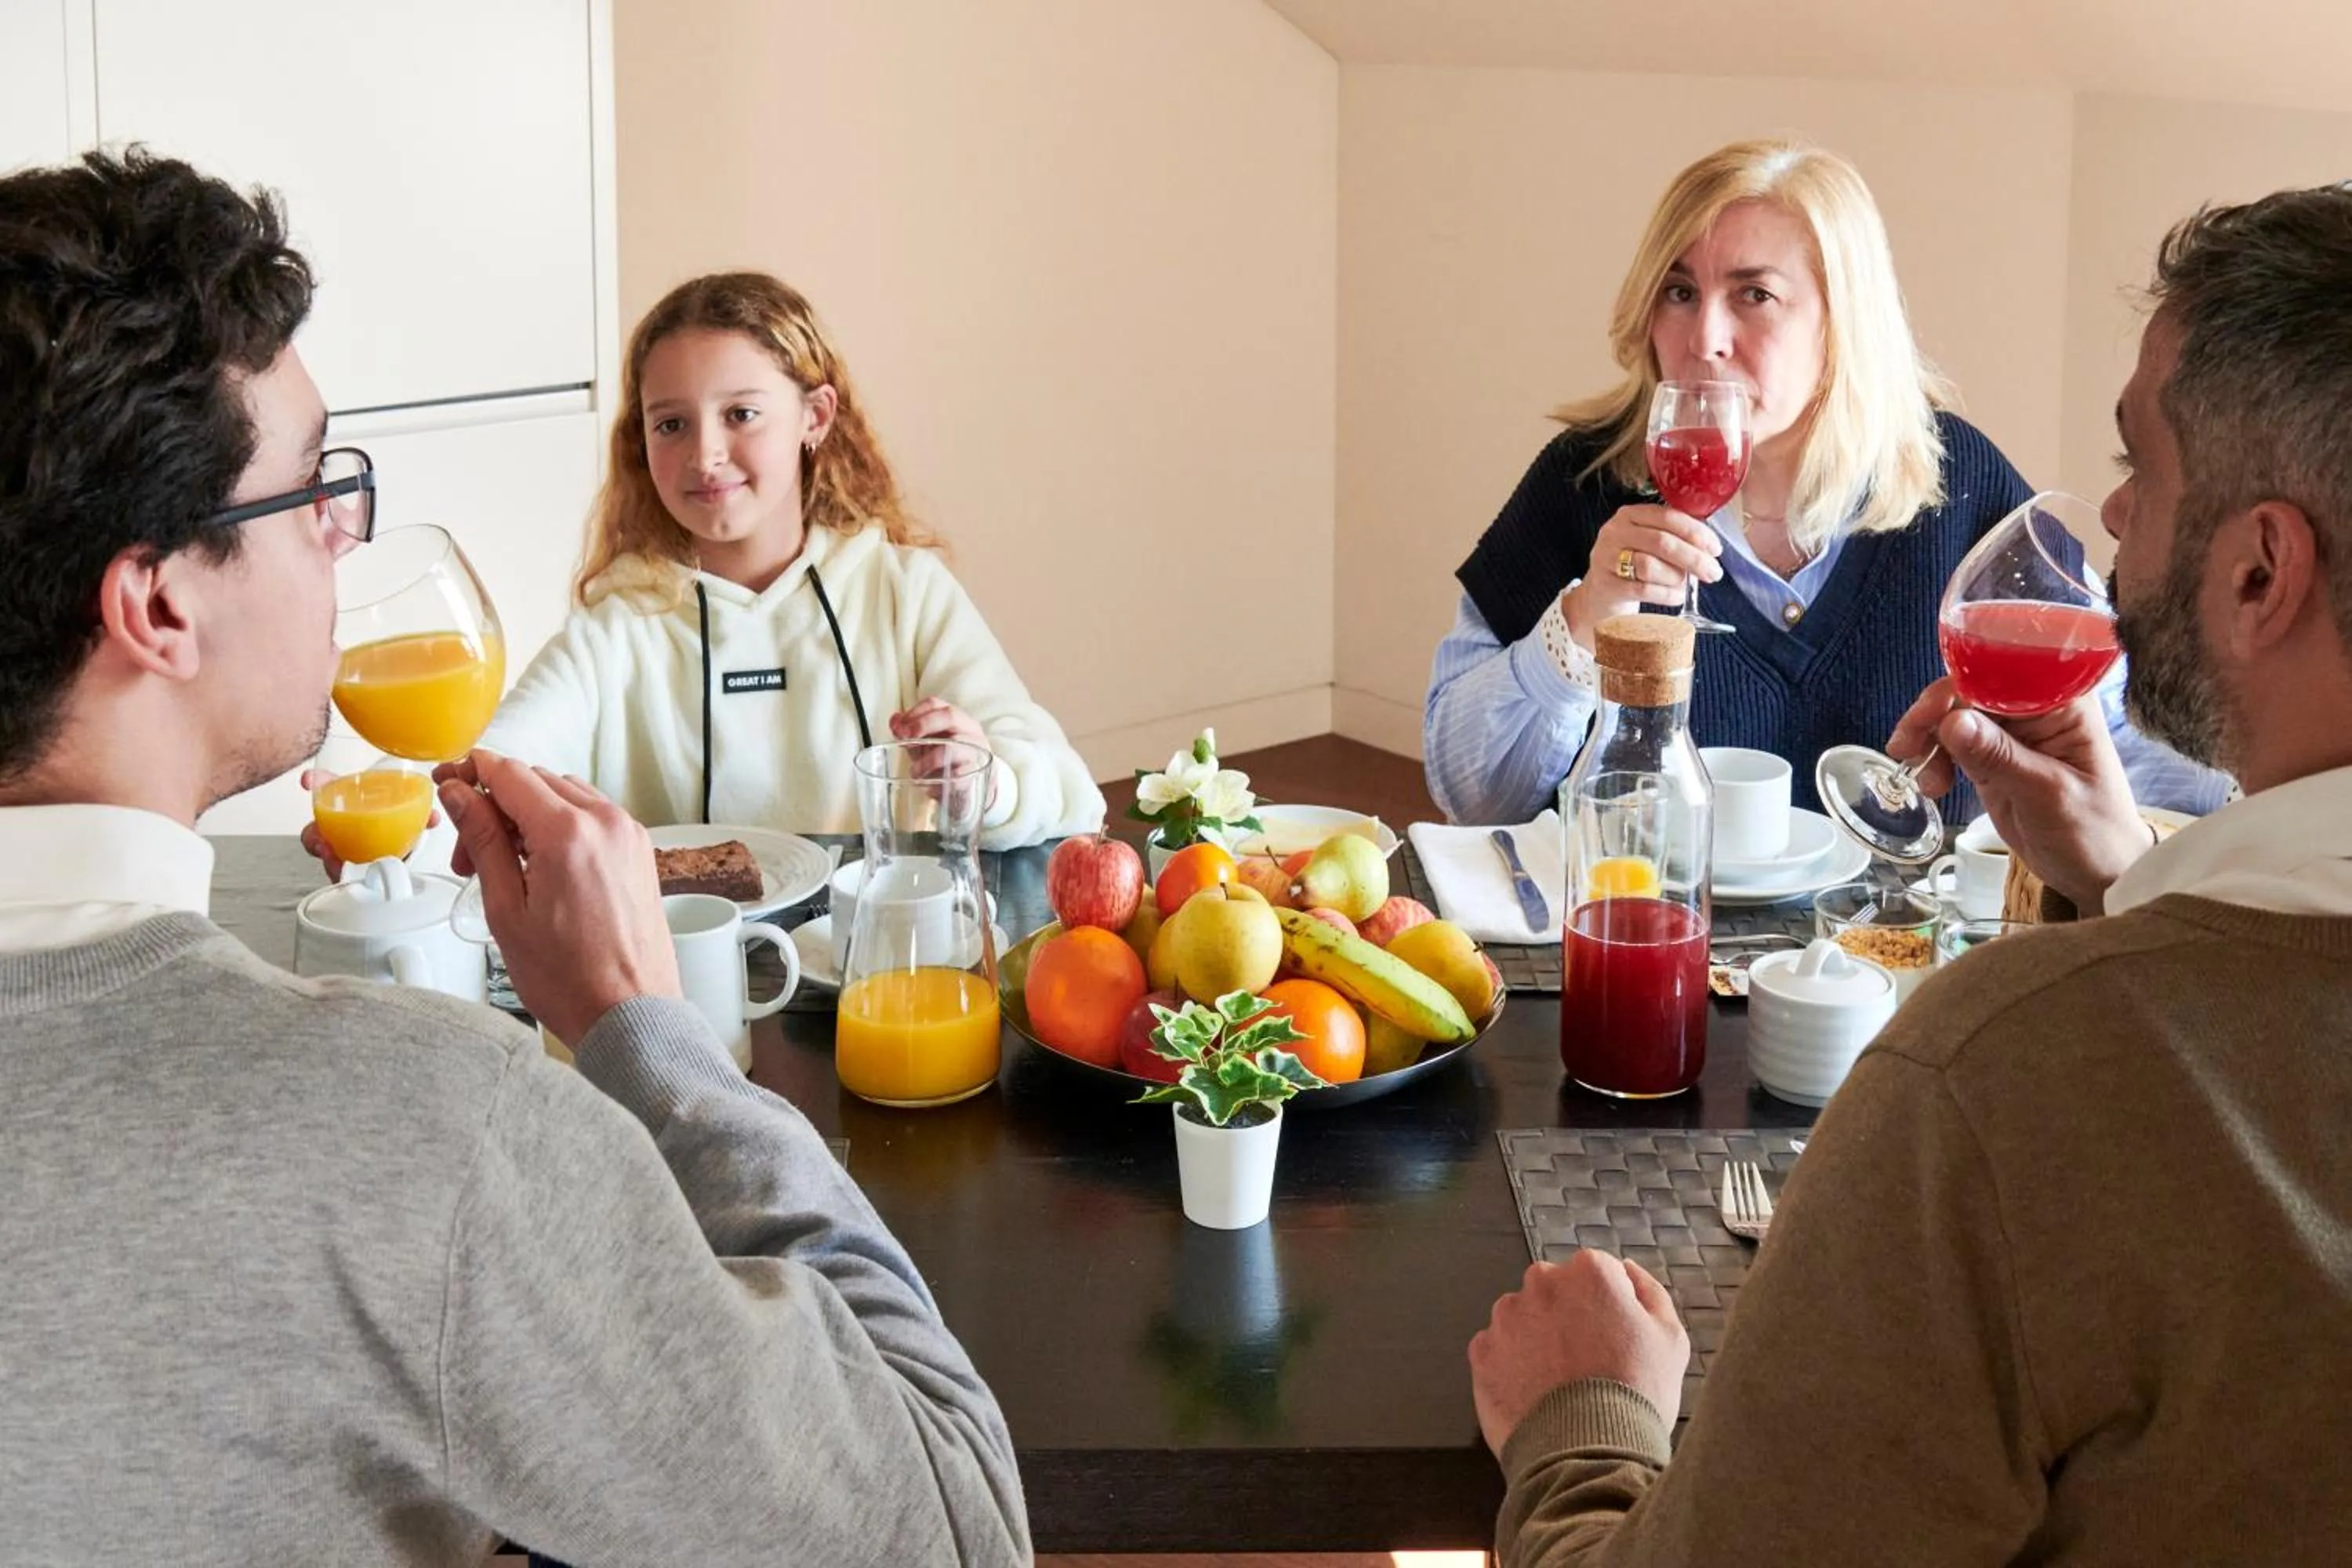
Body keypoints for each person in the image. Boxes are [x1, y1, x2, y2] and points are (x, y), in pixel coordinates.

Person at [0, 150, 1029, 1563]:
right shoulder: (426, 1130)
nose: (341, 533)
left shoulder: (900, 593)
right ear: (159, 609)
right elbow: (944, 1522)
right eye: (311, 489)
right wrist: (641, 1025)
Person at [1465, 184, 2352, 1564]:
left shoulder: (1995, 1073)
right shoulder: (1590, 485)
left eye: (2140, 468)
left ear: (2260, 573)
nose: (2113, 515)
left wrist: (1583, 1425)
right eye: (1681, 290)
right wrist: (2119, 877)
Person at [1424, 139, 2230, 826]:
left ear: (1844, 322)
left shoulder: (1960, 484)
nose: (1705, 338)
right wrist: (1587, 618)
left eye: (1755, 295)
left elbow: (2150, 763)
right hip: (1651, 933)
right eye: (1679, 292)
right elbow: (1472, 795)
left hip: (1898, 951)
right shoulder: (1586, 479)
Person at [477, 270, 1099, 846]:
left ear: (815, 417)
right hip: (676, 937)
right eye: (671, 425)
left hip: (884, 934)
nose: (706, 454)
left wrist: (985, 784)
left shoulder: (905, 592)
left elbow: (1070, 793)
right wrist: (448, 797)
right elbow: (501, 762)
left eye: (741, 414)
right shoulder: (616, 625)